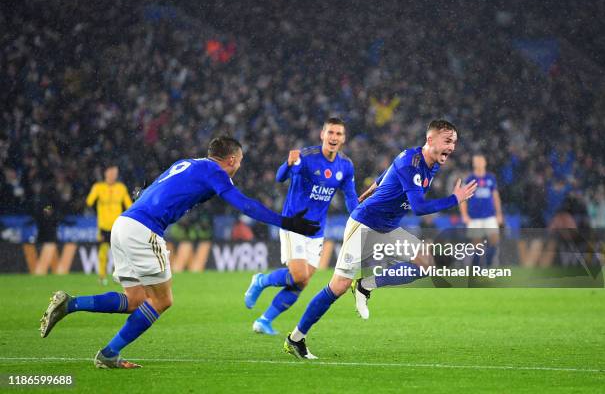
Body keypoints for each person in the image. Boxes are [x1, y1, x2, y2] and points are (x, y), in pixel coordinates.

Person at [39, 136, 319, 369]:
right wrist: (287, 222)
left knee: (136, 300)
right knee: (162, 301)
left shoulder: (185, 163)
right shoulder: (215, 172)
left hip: (123, 224)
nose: (239, 166)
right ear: (232, 159)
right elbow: (244, 205)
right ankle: (109, 354)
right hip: (144, 229)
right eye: (240, 161)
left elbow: (152, 190)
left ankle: (70, 304)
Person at [283, 120, 477, 359]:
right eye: (448, 141)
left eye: (454, 142)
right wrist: (454, 200)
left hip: (387, 228)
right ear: (430, 140)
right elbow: (418, 207)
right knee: (339, 286)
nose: (452, 147)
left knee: (426, 262)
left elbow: (389, 171)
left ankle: (366, 285)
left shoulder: (430, 162)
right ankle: (296, 338)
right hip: (364, 225)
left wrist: (371, 189)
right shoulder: (411, 163)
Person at [244, 117, 358, 335]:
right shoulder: (306, 157)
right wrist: (287, 164)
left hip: (317, 230)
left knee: (303, 281)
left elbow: (350, 197)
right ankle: (261, 280)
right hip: (294, 224)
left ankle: (264, 320)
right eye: (331, 133)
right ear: (322, 135)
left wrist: (359, 217)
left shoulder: (346, 165)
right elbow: (280, 178)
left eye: (339, 134)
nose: (334, 137)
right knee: (298, 275)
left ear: (344, 139)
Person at [86, 165, 133, 285]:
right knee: (103, 252)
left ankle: (121, 275)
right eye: (112, 172)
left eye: (116, 172)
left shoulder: (121, 188)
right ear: (106, 173)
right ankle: (102, 277)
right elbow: (89, 202)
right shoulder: (98, 187)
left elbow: (129, 206)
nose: (114, 175)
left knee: (120, 252)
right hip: (103, 227)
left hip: (117, 226)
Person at [459, 154, 504, 267]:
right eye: (476, 161)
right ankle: (476, 270)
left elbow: (495, 196)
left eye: (480, 160)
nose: (478, 163)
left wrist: (499, 213)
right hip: (474, 217)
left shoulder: (490, 178)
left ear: (485, 162)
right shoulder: (470, 179)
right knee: (477, 245)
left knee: (494, 241)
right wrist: (464, 215)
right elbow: (463, 198)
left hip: (490, 215)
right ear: (474, 164)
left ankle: (489, 266)